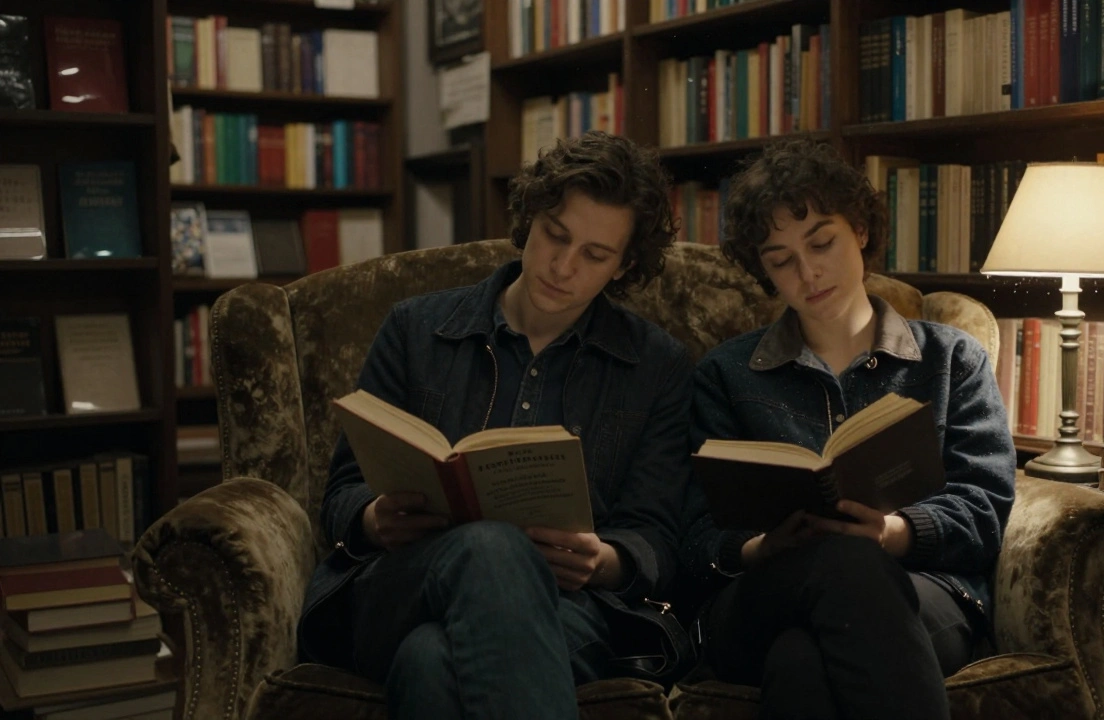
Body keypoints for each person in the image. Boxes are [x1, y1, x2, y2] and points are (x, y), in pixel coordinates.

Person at [297, 130, 693, 719]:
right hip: (401, 586)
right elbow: (342, 493)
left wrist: (604, 558)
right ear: (530, 219)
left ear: (624, 266)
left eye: (594, 254)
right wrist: (376, 517)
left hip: (569, 608)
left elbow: (659, 533)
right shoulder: (415, 329)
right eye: (555, 236)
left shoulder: (656, 365)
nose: (563, 266)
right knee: (489, 546)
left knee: (430, 661)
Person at [679, 138, 1017, 720]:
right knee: (840, 563)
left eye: (822, 242)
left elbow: (986, 505)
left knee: (801, 661)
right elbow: (693, 532)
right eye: (781, 260)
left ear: (859, 229)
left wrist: (891, 533)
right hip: (761, 597)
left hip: (922, 592)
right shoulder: (725, 376)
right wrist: (763, 546)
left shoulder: (949, 359)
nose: (808, 272)